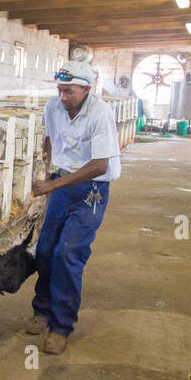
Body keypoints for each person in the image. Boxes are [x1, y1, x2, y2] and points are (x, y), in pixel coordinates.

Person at [26, 60, 121, 354]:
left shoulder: (100, 113)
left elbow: (99, 164)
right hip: (61, 182)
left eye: (69, 91)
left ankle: (61, 326)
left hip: (91, 189)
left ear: (86, 89)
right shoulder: (54, 107)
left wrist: (53, 186)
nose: (63, 97)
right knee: (44, 250)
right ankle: (42, 309)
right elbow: (50, 138)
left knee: (68, 252)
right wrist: (46, 169)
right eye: (59, 90)